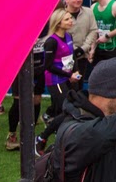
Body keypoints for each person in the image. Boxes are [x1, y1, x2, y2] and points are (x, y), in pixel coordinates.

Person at [39, 8, 82, 147]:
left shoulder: (69, 36)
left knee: (64, 109)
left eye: (70, 18)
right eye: (67, 19)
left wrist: (75, 72)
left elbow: (72, 56)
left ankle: (59, 135)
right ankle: (42, 138)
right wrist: (70, 75)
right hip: (55, 80)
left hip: (68, 78)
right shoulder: (51, 41)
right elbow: (49, 66)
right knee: (67, 109)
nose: (71, 21)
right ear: (58, 23)